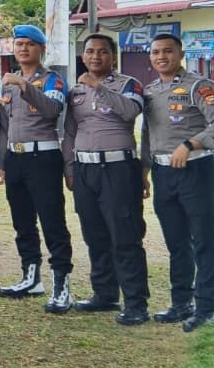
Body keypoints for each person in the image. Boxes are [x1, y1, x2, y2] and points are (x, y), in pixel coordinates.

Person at [63, 33, 149, 326]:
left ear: (113, 56)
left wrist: (98, 87)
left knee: (125, 236)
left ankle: (136, 303)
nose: (95, 56)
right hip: (85, 170)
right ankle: (105, 294)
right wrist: (70, 169)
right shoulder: (75, 91)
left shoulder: (129, 84)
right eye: (90, 51)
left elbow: (130, 111)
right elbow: (70, 132)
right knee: (95, 235)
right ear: (83, 56)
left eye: (102, 52)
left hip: (118, 168)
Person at [0, 24, 74, 313]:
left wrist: (24, 85)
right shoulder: (6, 83)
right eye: (19, 44)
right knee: (22, 222)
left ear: (42, 49)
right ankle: (31, 277)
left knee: (52, 222)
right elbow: (4, 126)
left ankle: (62, 284)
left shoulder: (53, 80)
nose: (23, 49)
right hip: (15, 158)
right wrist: (1, 163)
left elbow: (52, 110)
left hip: (43, 157)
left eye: (30, 44)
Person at [142, 33, 214, 331]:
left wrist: (190, 144)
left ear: (181, 54)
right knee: (177, 243)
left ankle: (206, 307)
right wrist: (144, 171)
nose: (162, 56)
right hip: (163, 174)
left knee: (205, 241)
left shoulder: (199, 86)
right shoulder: (149, 91)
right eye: (156, 52)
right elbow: (147, 134)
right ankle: (181, 303)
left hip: (196, 172)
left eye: (168, 51)